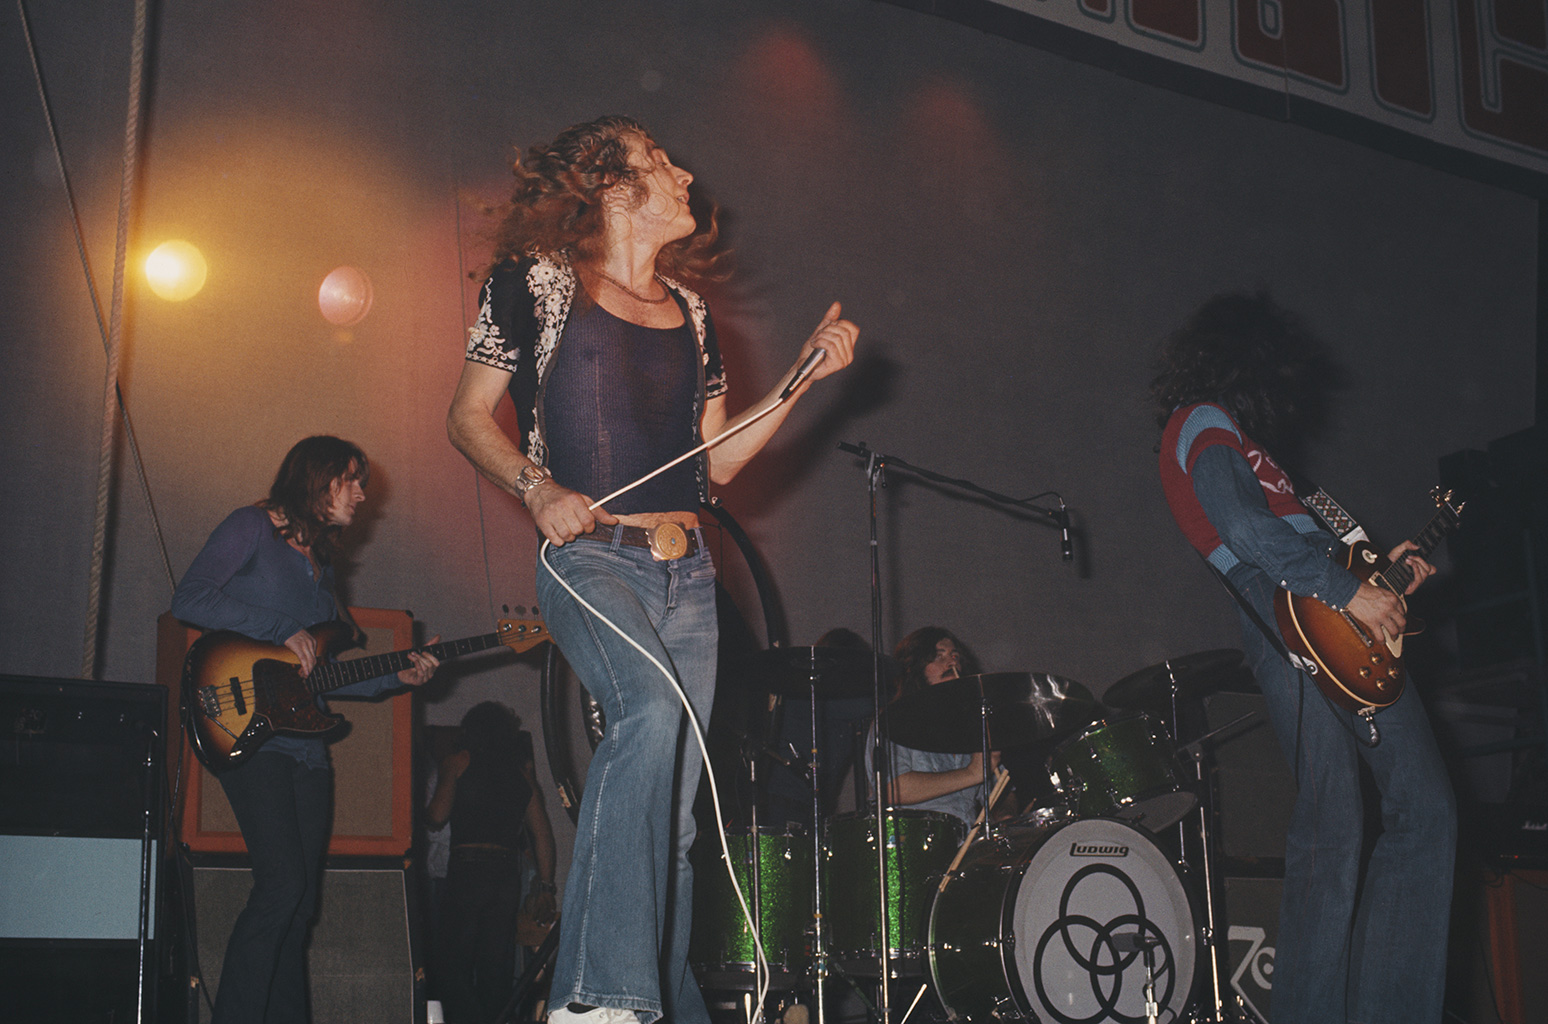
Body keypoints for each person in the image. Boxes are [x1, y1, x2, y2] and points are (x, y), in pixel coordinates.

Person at [445, 115, 857, 1024]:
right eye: (660, 162)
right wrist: (535, 484)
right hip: (589, 560)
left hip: (690, 579)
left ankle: (657, 1008)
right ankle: (596, 997)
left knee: (672, 821)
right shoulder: (536, 284)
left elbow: (716, 464)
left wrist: (799, 379)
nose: (684, 172)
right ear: (609, 185)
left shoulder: (693, 315)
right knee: (652, 711)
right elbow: (468, 416)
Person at [1151, 291, 1455, 1024]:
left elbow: (1317, 540)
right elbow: (1244, 529)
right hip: (1290, 614)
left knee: (1420, 813)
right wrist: (1345, 592)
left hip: (1331, 605)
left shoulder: (1277, 463)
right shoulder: (1204, 420)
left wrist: (1383, 572)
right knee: (1337, 821)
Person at [171, 435, 440, 1024]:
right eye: (352, 479)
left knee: (300, 906)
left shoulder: (325, 573)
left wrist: (401, 676)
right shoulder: (251, 526)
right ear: (317, 480)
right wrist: (277, 628)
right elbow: (189, 597)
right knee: (281, 886)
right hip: (245, 729)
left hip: (309, 752)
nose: (363, 494)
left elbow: (328, 677)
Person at [429, 701, 557, 1024]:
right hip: (504, 875)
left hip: (467, 870)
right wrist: (544, 886)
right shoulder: (521, 776)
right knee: (496, 971)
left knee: (451, 968)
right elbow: (543, 836)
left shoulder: (459, 761)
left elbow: (437, 815)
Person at [869, 627, 1001, 826]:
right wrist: (972, 773)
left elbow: (1000, 789)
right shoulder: (895, 721)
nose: (951, 662)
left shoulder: (971, 723)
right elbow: (893, 788)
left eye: (954, 655)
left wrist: (1005, 813)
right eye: (938, 657)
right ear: (913, 668)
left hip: (966, 842)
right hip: (912, 841)